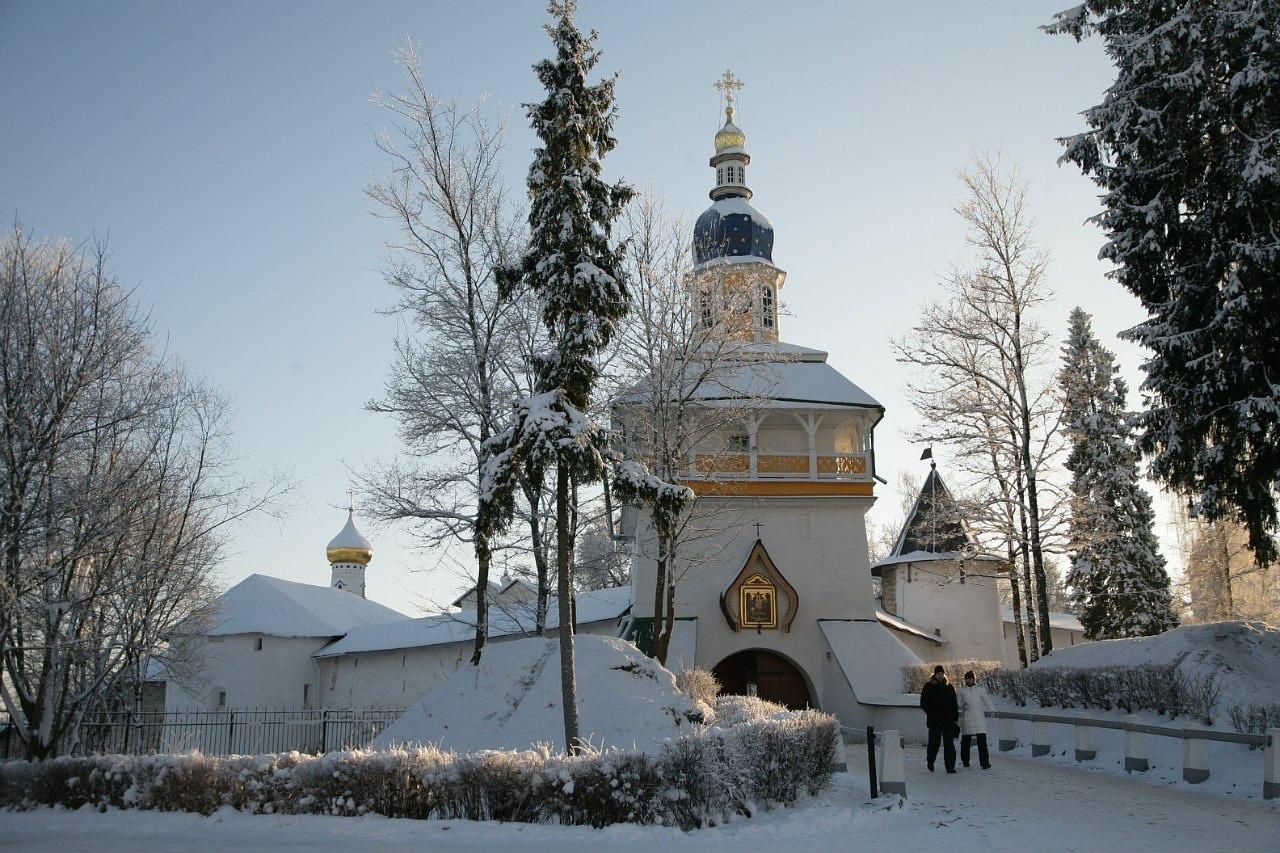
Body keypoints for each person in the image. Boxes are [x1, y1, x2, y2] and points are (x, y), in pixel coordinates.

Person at [919, 664, 959, 773]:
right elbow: (923, 703)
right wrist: (931, 714)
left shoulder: (949, 687)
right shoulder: (928, 686)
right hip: (934, 721)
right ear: (935, 674)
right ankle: (930, 761)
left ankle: (950, 767)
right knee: (933, 744)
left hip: (948, 721)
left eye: (942, 674)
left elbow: (954, 704)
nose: (940, 676)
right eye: (938, 674)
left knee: (949, 746)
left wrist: (955, 718)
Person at [957, 669, 994, 770]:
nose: (967, 680)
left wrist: (992, 710)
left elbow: (987, 700)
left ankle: (985, 763)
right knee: (965, 742)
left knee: (982, 742)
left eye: (969, 678)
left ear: (973, 679)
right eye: (966, 679)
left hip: (979, 719)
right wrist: (962, 705)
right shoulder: (961, 690)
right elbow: (958, 703)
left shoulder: (980, 690)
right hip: (967, 719)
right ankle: (965, 761)